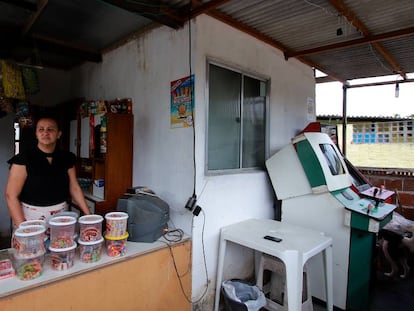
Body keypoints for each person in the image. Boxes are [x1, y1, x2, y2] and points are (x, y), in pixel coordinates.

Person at [5, 115, 90, 227]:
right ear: (36, 134)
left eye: (50, 129)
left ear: (58, 134)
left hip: (60, 217)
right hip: (29, 218)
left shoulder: (67, 158)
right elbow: (10, 195)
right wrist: (24, 228)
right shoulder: (23, 159)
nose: (45, 133)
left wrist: (88, 215)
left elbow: (74, 187)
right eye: (41, 129)